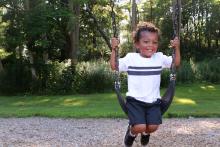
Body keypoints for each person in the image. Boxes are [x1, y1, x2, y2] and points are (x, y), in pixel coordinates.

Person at [110, 21, 180, 146]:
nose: (151, 45)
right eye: (146, 42)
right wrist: (114, 49)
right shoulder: (131, 58)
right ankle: (131, 133)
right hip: (135, 101)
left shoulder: (159, 57)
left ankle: (146, 134)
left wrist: (176, 48)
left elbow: (175, 64)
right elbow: (114, 66)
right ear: (137, 44)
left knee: (153, 127)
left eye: (154, 42)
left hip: (154, 101)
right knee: (139, 126)